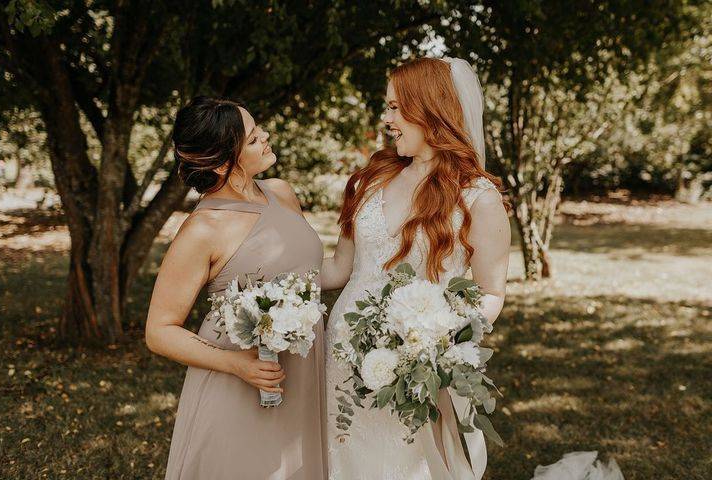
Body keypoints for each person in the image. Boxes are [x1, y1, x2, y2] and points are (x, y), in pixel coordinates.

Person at [321, 57, 511, 479]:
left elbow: (491, 293)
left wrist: (435, 350)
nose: (386, 118)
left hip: (415, 372)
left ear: (429, 108)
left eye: (394, 107)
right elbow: (337, 269)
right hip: (342, 360)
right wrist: (274, 278)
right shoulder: (368, 181)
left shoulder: (477, 198)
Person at [145, 96, 327, 480]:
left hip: (301, 376)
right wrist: (237, 364)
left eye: (258, 127)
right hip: (237, 382)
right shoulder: (203, 230)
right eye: (251, 137)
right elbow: (159, 331)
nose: (264, 136)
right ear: (223, 161)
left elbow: (313, 275)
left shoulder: (281, 192)